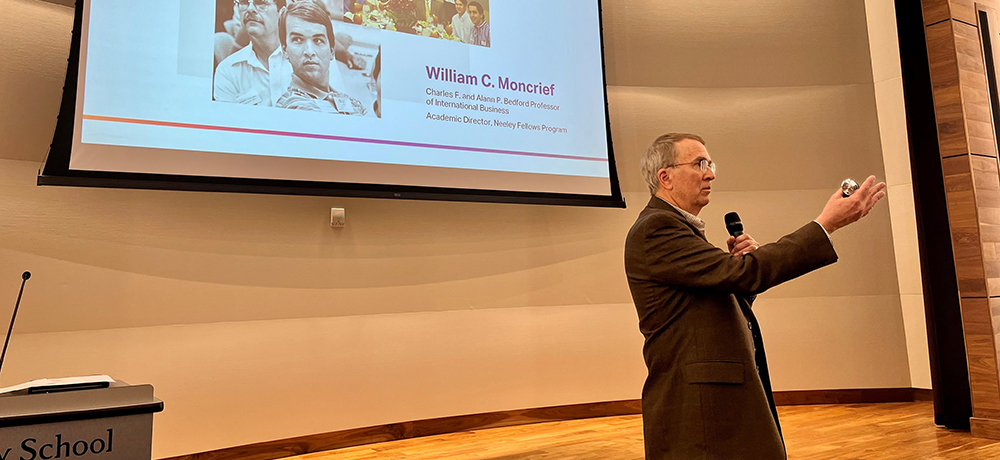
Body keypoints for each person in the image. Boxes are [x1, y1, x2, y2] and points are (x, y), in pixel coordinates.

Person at [624, 133, 886, 460]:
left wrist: (739, 271)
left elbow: (711, 301)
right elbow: (744, 275)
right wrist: (825, 225)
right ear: (666, 177)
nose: (710, 174)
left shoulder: (678, 227)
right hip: (700, 404)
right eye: (700, 164)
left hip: (713, 398)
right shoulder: (658, 227)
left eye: (711, 164)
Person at [275, 0, 368, 115]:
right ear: (285, 50)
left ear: (332, 51)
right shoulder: (293, 105)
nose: (309, 51)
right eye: (298, 40)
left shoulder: (349, 102)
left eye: (318, 40)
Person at [214, 0, 287, 105]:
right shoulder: (227, 71)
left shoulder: (304, 61)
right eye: (244, 2)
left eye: (261, 3)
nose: (250, 9)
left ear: (282, 12)